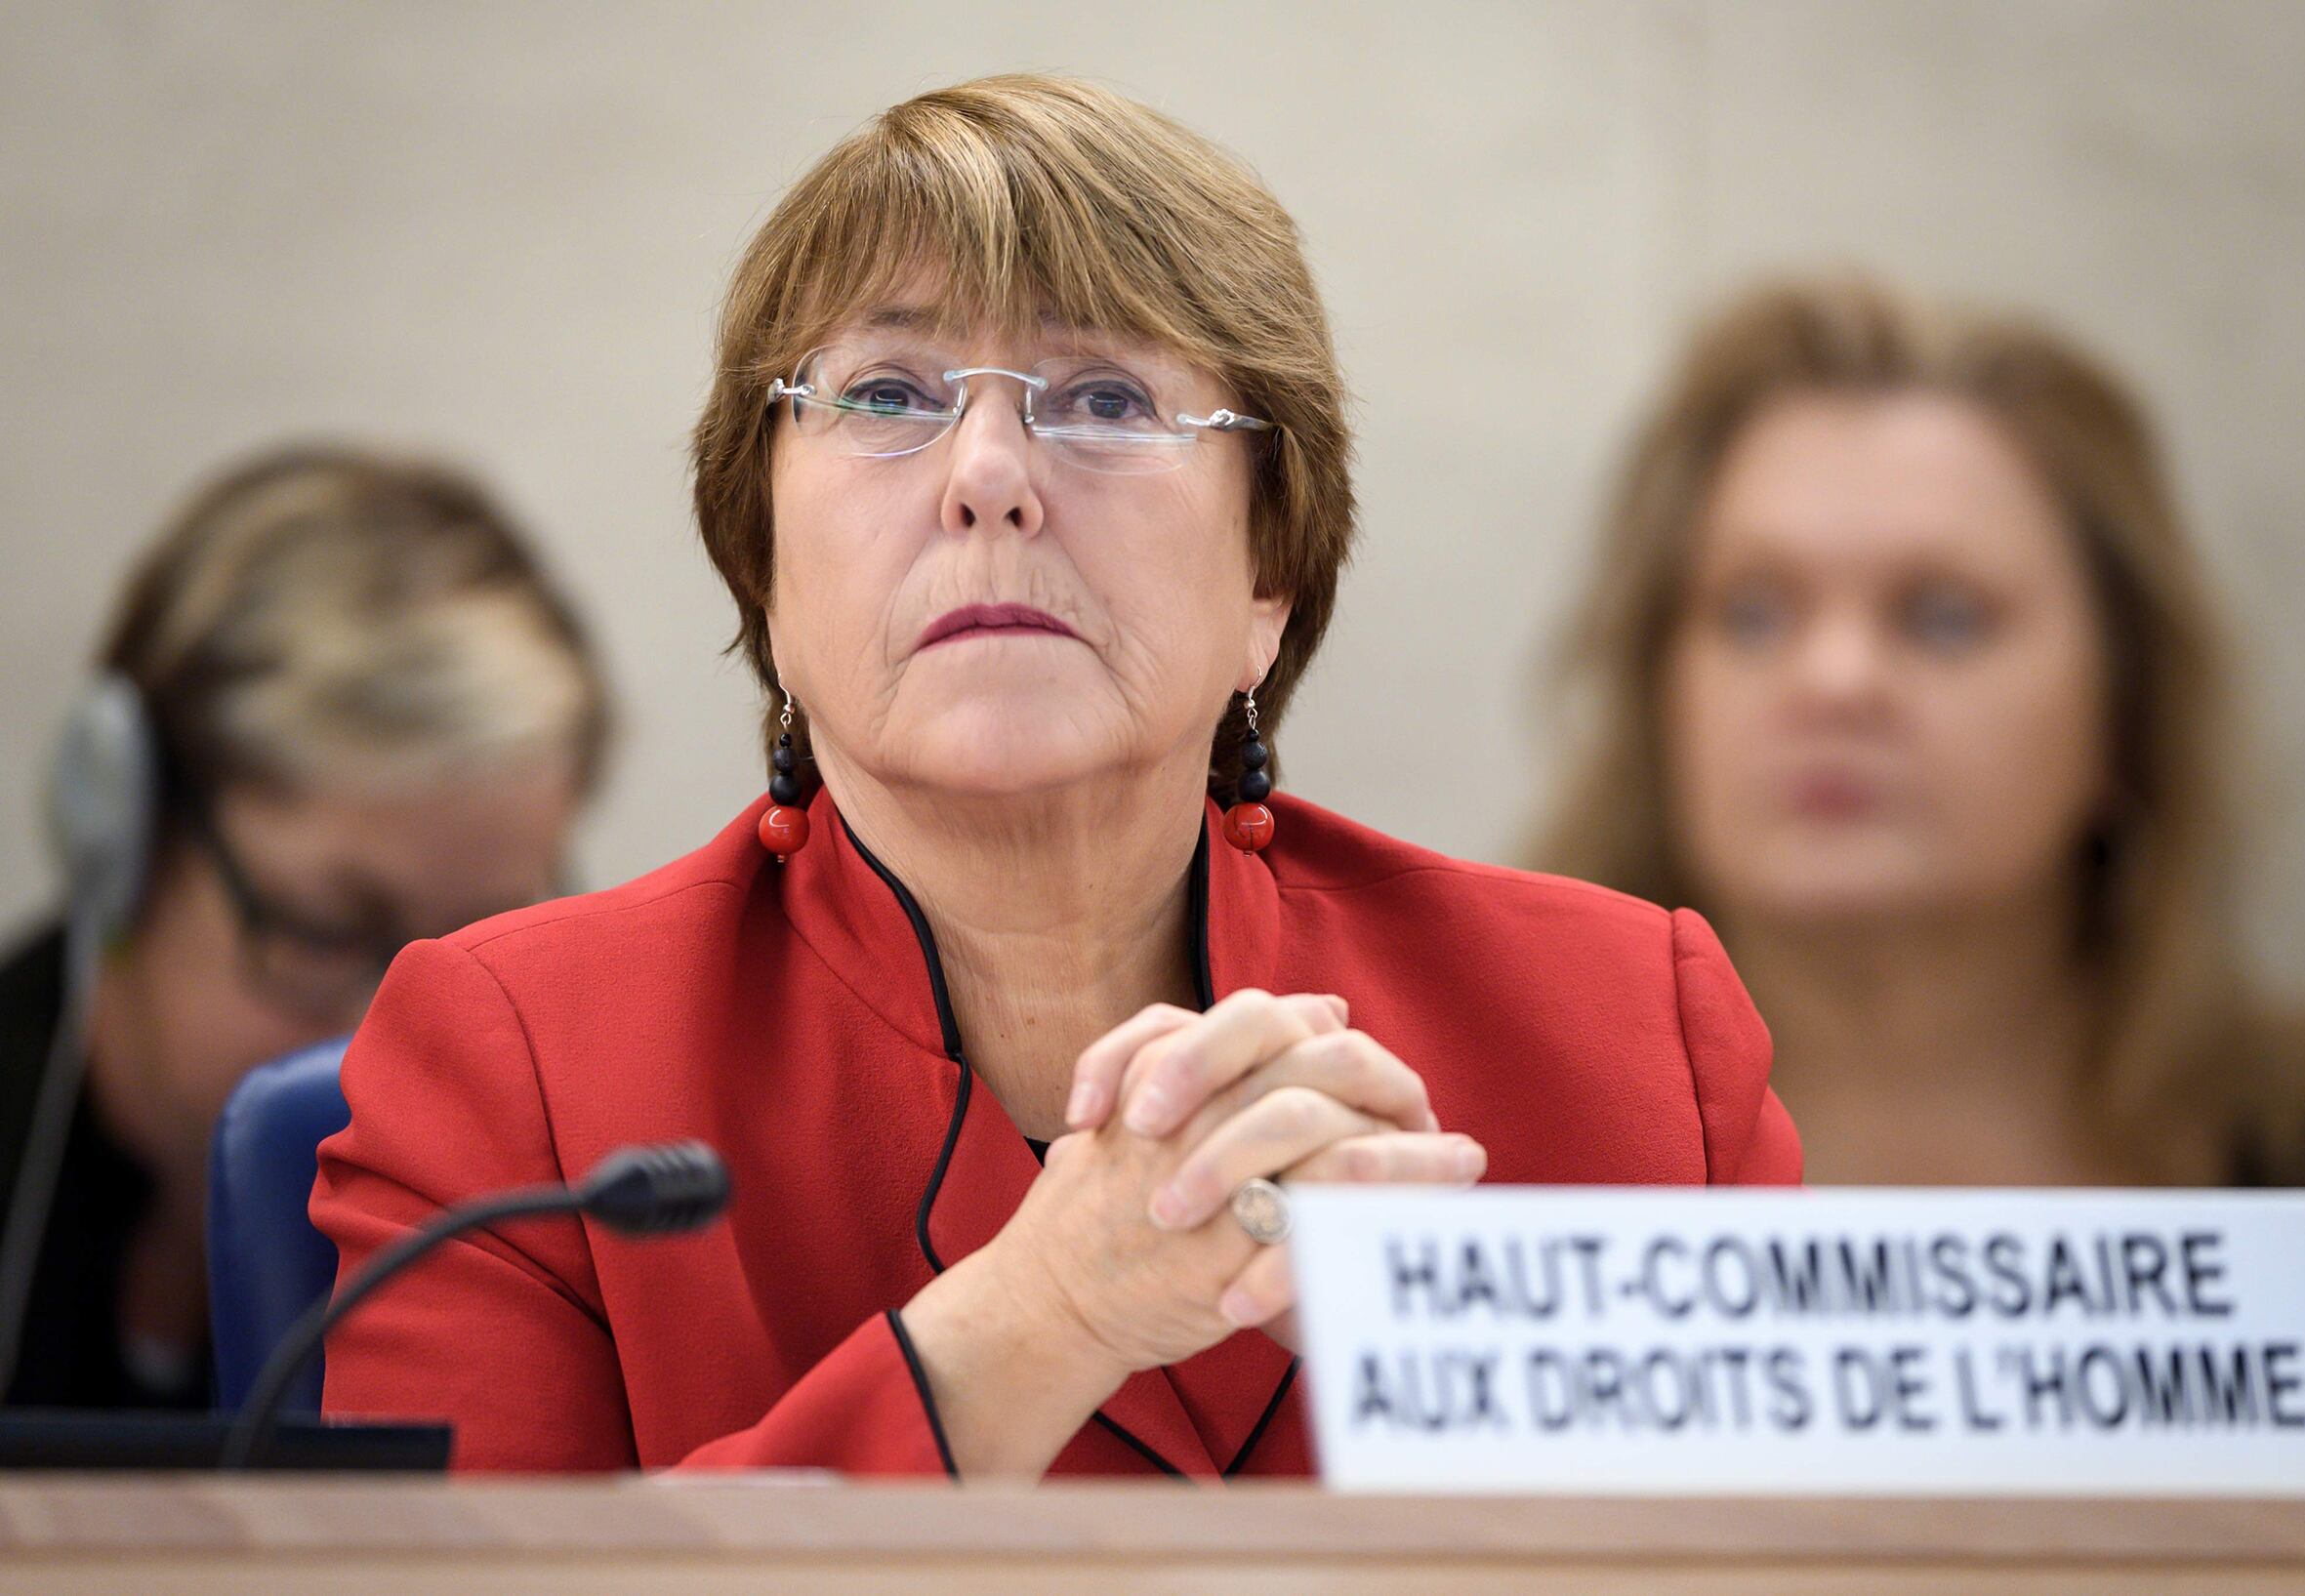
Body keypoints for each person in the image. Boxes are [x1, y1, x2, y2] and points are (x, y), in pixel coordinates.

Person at [309, 75, 1801, 1482]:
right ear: (763, 569)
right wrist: (1040, 1316)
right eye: (885, 395)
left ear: (1267, 574)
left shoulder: (1628, 1040)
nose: (987, 475)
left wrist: (1473, 1382)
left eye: (1102, 399)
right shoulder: (518, 1071)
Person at [1527, 271, 2305, 1466]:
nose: (1832, 681)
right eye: (1752, 613)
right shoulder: (1483, 1194)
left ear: (2124, 709)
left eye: (1941, 616)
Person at [0, 445, 609, 1410]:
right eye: (327, 929)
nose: (388, 1036)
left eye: (476, 947)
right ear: (128, 832)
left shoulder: (545, 1234)